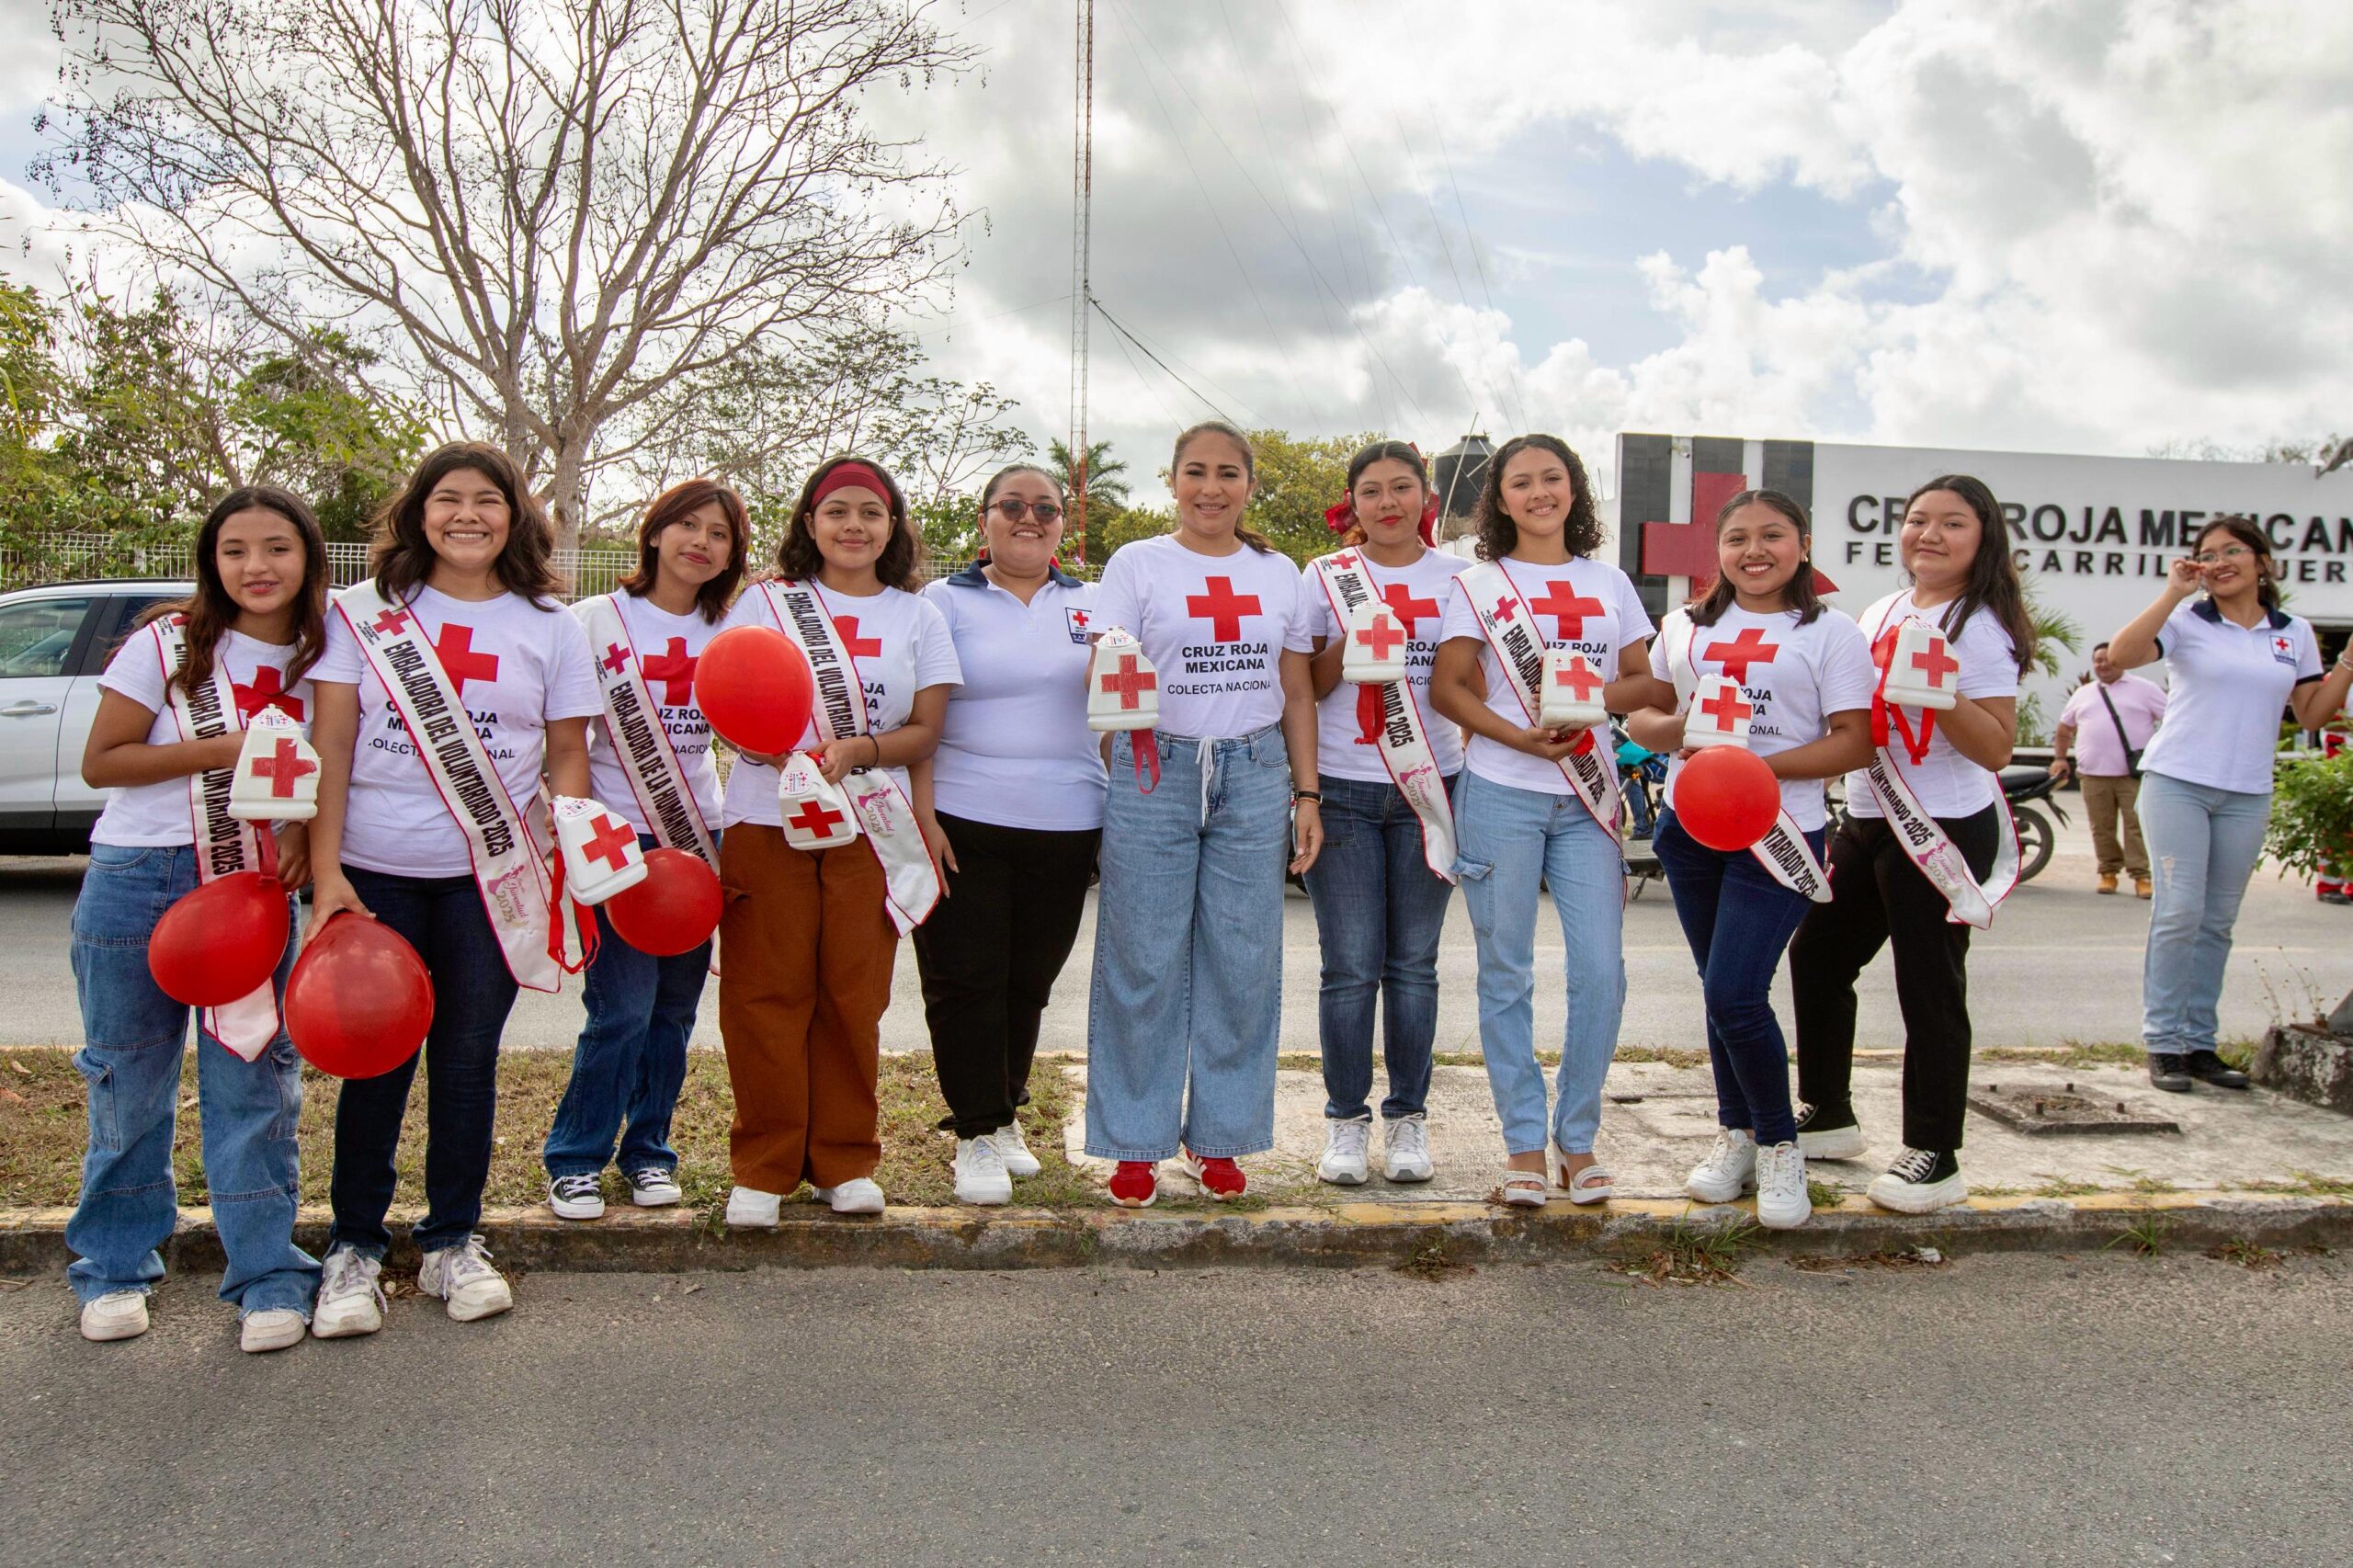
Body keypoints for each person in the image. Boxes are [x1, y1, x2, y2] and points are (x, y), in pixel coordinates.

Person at [307, 442, 602, 1335]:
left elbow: (565, 753)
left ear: (516, 514)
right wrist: (325, 875)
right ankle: (354, 1244)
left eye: (488, 499)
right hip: (372, 874)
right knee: (376, 1059)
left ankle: (450, 1240)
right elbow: (330, 748)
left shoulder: (553, 626)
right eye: (448, 498)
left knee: (468, 1061)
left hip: (492, 876)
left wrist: (579, 851)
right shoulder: (360, 614)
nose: (467, 514)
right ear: (418, 511)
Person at [65, 487, 327, 1352]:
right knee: (127, 1081)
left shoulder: (324, 654)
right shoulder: (167, 642)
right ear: (211, 561)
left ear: (308, 557)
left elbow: (331, 772)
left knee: (252, 1081)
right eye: (236, 550)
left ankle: (267, 1275)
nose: (258, 567)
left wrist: (298, 837)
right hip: (138, 878)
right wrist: (224, 750)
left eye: (278, 548)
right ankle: (112, 1266)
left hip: (247, 893)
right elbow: (105, 761)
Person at [1429, 434, 1674, 1207]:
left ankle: (1579, 1138)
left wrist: (1594, 703)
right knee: (1506, 976)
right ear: (1499, 499)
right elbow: (1448, 689)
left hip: (1588, 798)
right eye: (1521, 482)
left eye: (1553, 479)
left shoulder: (1611, 583)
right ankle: (1525, 1149)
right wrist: (1518, 733)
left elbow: (1647, 684)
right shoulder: (1479, 584)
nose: (1540, 493)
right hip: (1500, 788)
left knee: (1601, 972)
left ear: (1575, 491)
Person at [1084, 420, 1322, 1207]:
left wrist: (1306, 792)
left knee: (1242, 959)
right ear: (1173, 480)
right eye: (1195, 472)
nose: (1211, 487)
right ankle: (1134, 1142)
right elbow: (1105, 669)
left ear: (1250, 484)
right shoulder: (1137, 564)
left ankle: (1220, 1137)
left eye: (1227, 473)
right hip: (1159, 766)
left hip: (1254, 771)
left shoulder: (1277, 570)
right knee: (1142, 957)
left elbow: (1296, 690)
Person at [716, 455, 960, 1222]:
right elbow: (728, 697)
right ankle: (763, 1164)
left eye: (871, 513)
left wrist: (856, 751)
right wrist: (774, 750)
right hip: (765, 818)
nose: (854, 526)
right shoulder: (766, 603)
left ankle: (845, 1160)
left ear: (893, 526)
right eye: (837, 512)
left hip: (871, 827)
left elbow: (926, 730)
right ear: (810, 524)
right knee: (763, 993)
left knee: (853, 994)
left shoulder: (918, 615)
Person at [1626, 490, 1876, 1230]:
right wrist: (1682, 729)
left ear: (1802, 541)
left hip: (1782, 833)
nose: (1754, 550)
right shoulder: (1684, 626)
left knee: (1737, 991)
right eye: (1737, 538)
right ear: (1719, 549)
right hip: (1690, 830)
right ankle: (1735, 1133)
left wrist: (1761, 768)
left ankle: (1779, 1145)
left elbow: (1856, 740)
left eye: (1773, 535)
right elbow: (1642, 715)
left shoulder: (1832, 633)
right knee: (1718, 991)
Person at [1790, 475, 2034, 1214]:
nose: (1929, 534)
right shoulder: (1883, 609)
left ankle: (1937, 1151)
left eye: (1951, 524)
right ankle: (1827, 1111)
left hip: (1943, 826)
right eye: (1918, 520)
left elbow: (1995, 748)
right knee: (1820, 954)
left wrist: (1943, 693)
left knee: (1927, 984)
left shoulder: (1983, 626)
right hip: (1868, 815)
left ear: (1982, 538)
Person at [543, 481, 745, 1220]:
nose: (701, 542)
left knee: (674, 1012)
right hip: (614, 837)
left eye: (718, 533)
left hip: (698, 836)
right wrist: (576, 827)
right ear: (654, 533)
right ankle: (575, 1158)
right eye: (687, 525)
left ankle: (650, 1152)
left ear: (733, 552)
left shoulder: (735, 628)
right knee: (620, 1009)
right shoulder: (594, 621)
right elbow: (564, 736)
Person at [911, 463, 1103, 1206]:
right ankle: (976, 1133)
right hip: (963, 818)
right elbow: (920, 718)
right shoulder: (941, 601)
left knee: (1028, 983)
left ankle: (1007, 1109)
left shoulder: (1095, 602)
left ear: (1063, 521)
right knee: (966, 981)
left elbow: (1117, 710)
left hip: (1069, 820)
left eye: (1046, 508)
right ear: (985, 517)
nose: (1030, 518)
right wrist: (923, 815)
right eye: (1012, 506)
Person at [2107, 516, 2353, 1092]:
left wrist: (2346, 665)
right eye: (2207, 552)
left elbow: (2313, 715)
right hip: (2178, 782)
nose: (2219, 560)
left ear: (2262, 563)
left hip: (2247, 791)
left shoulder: (2293, 631)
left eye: (2233, 550)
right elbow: (2122, 654)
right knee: (2179, 912)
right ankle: (2164, 1043)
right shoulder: (2189, 619)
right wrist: (2174, 590)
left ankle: (2199, 1045)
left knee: (2217, 922)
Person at [1300, 440, 1467, 1187]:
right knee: (1349, 967)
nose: (1388, 503)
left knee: (1413, 966)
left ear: (1426, 497)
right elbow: (1302, 682)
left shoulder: (1463, 578)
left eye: (1403, 488)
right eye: (1372, 491)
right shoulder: (1327, 576)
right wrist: (1350, 644)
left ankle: (1406, 1119)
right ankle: (1344, 1122)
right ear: (1353, 502)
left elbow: (1474, 681)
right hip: (1344, 785)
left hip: (1431, 785)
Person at [2049, 642, 2166, 897]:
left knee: (2136, 826)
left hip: (2132, 776)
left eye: (2107, 659)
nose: (2102, 665)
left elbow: (2171, 721)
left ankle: (2141, 876)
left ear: (2120, 660)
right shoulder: (2084, 693)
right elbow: (2064, 729)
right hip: (2092, 775)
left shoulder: (2146, 690)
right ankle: (2108, 872)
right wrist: (2060, 758)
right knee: (2101, 827)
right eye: (2097, 660)